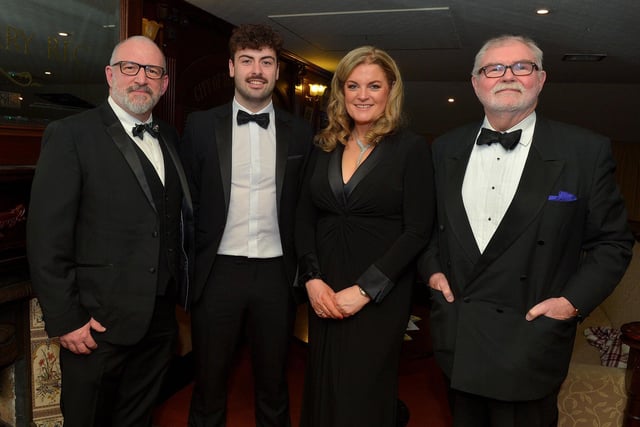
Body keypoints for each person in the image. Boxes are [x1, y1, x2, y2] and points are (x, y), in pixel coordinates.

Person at [418, 34, 634, 427]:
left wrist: (570, 303)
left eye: (522, 66)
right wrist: (432, 272)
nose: (507, 76)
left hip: (530, 338)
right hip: (460, 335)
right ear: (475, 82)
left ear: (541, 78)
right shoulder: (443, 148)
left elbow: (613, 243)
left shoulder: (584, 151)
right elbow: (426, 227)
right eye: (493, 68)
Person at [26, 35, 192, 426]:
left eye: (152, 71)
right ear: (110, 75)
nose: (141, 79)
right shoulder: (71, 134)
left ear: (164, 84)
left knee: (136, 419)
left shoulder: (169, 137)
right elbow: (46, 236)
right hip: (96, 326)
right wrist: (66, 318)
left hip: (159, 321)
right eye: (130, 68)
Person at [180, 24, 314, 426]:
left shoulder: (302, 133)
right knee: (208, 383)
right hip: (216, 272)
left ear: (276, 71)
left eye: (266, 62)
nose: (257, 70)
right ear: (231, 68)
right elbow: (187, 204)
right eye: (247, 61)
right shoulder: (200, 127)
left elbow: (307, 207)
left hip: (277, 274)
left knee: (274, 383)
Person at [294, 45, 435, 427]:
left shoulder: (411, 149)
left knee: (363, 393)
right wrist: (312, 280)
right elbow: (304, 217)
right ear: (340, 92)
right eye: (352, 85)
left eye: (373, 85)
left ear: (391, 89)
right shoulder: (324, 145)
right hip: (326, 288)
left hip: (378, 295)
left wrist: (365, 290)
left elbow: (418, 229)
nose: (362, 95)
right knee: (324, 387)